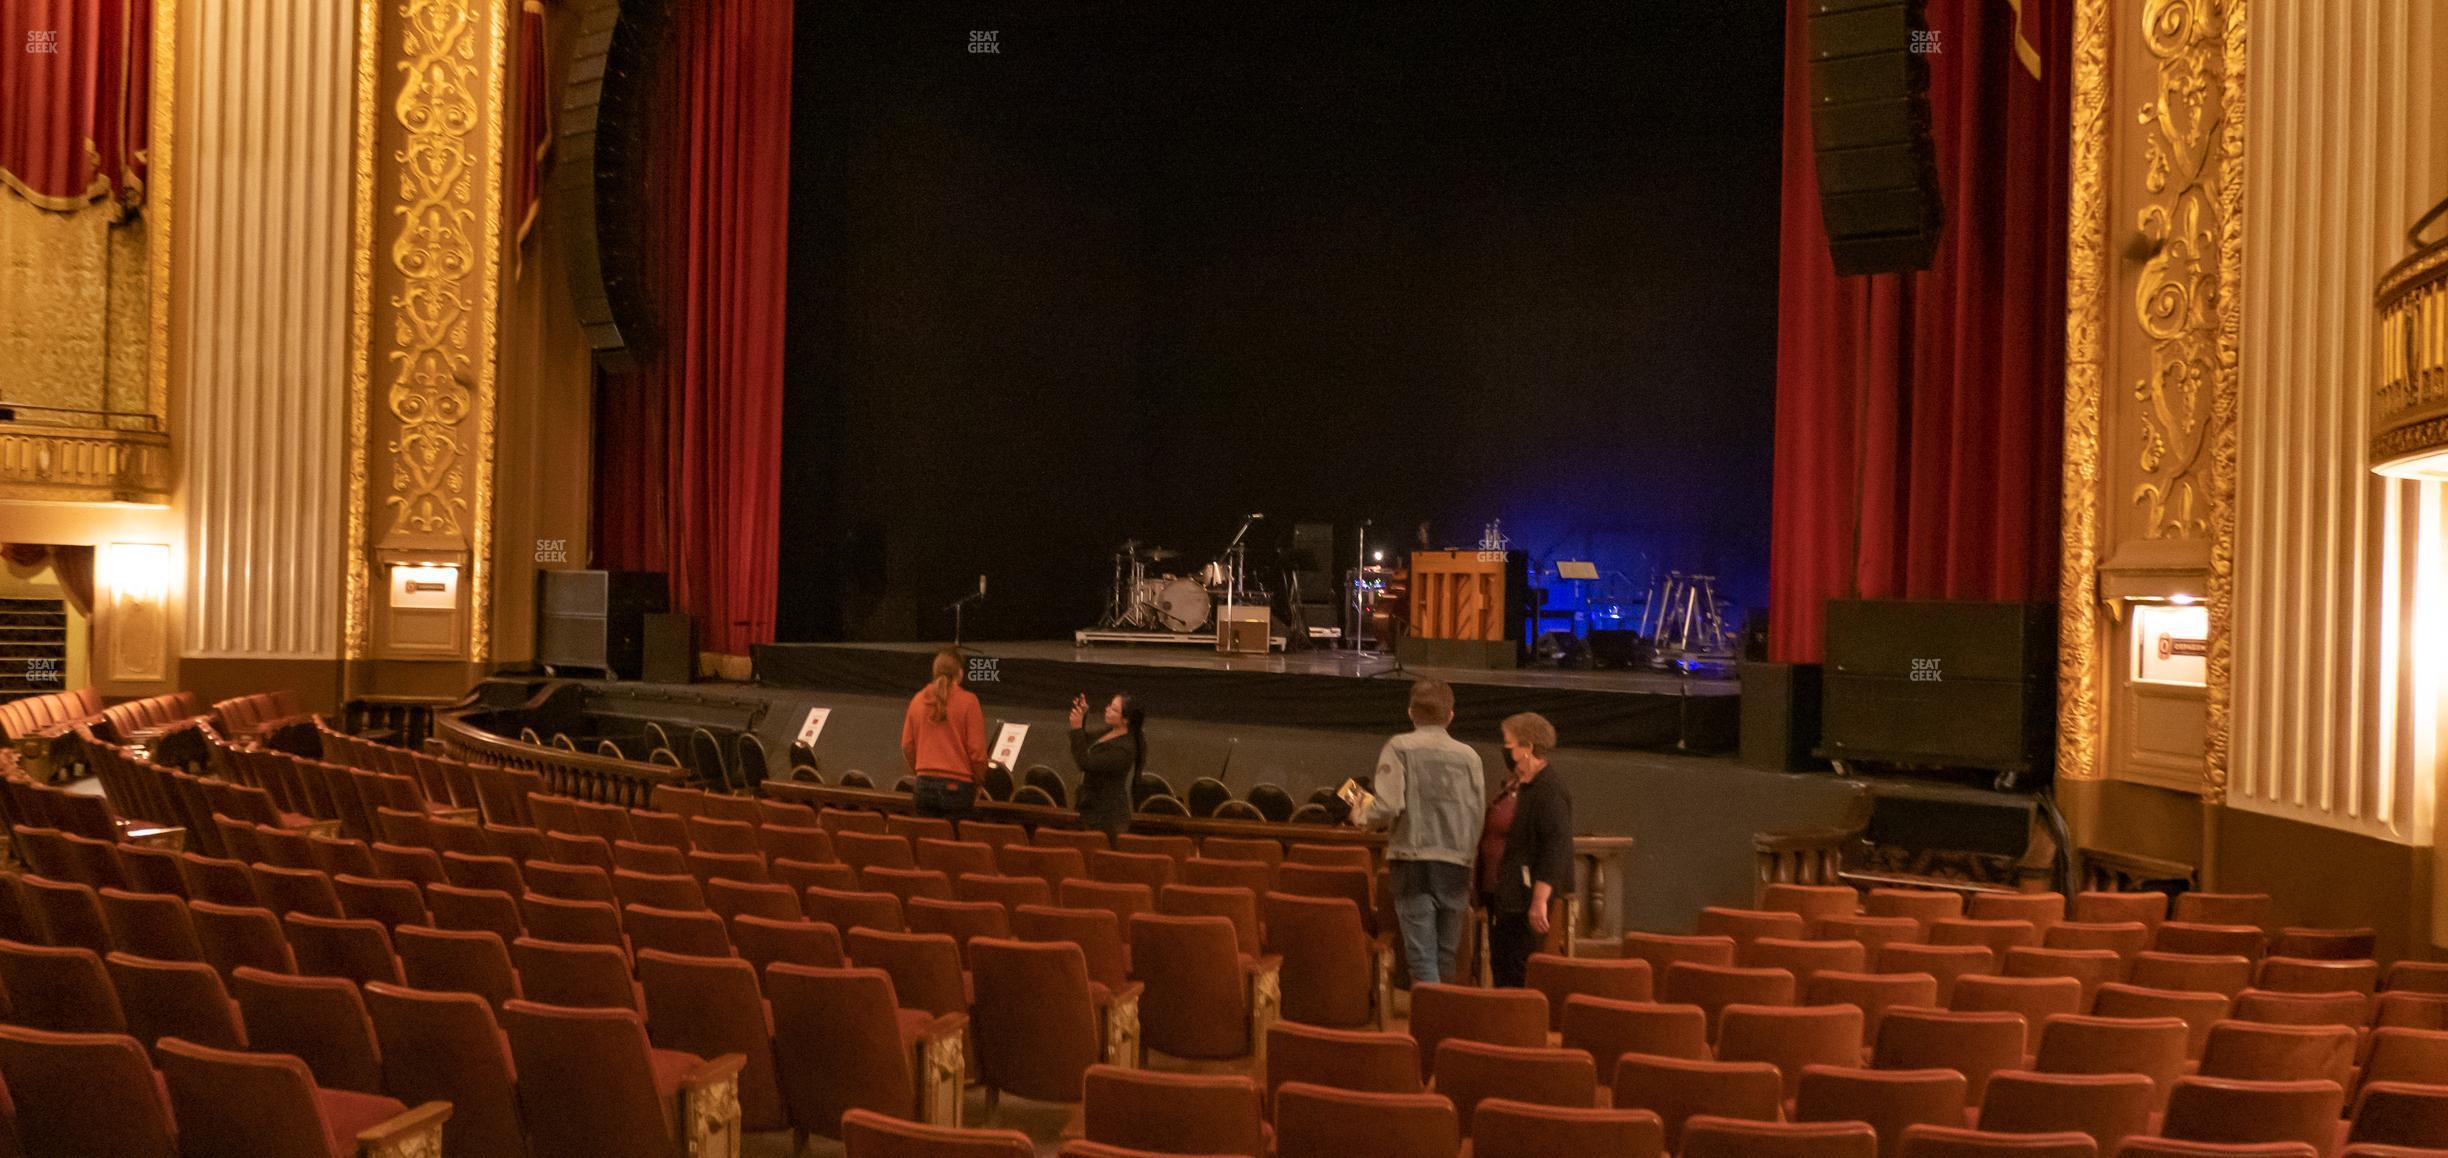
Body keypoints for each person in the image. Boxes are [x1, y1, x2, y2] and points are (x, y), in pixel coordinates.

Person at [1347, 677, 1485, 986]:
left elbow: (1388, 805)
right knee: (1446, 957)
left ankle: (1429, 1026)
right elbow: (1476, 815)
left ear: (1411, 713)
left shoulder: (1399, 747)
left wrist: (1358, 812)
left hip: (1413, 863)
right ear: (1451, 715)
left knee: (1422, 959)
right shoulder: (1470, 757)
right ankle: (1444, 1024)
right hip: (1457, 865)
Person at [1481, 711, 1573, 988]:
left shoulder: (1549, 790)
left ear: (1527, 747)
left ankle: (1516, 1023)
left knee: (1518, 967)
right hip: (1505, 893)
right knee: (1502, 964)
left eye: (1509, 744)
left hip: (1526, 898)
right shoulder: (1519, 784)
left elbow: (1556, 848)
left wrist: (1539, 900)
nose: (1505, 750)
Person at [900, 647, 987, 819]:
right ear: (960, 673)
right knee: (953, 844)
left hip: (924, 785)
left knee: (928, 843)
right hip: (958, 789)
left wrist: (921, 772)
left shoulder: (917, 700)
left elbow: (907, 745)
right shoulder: (969, 702)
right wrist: (978, 782)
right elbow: (977, 754)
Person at [1068, 692, 1145, 837]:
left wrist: (1077, 728)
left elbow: (1085, 763)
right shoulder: (1112, 731)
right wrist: (1082, 717)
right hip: (1092, 806)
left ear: (1126, 720)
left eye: (1114, 709)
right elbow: (1085, 743)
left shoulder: (1124, 749)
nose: (1107, 709)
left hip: (1106, 816)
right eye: (1110, 705)